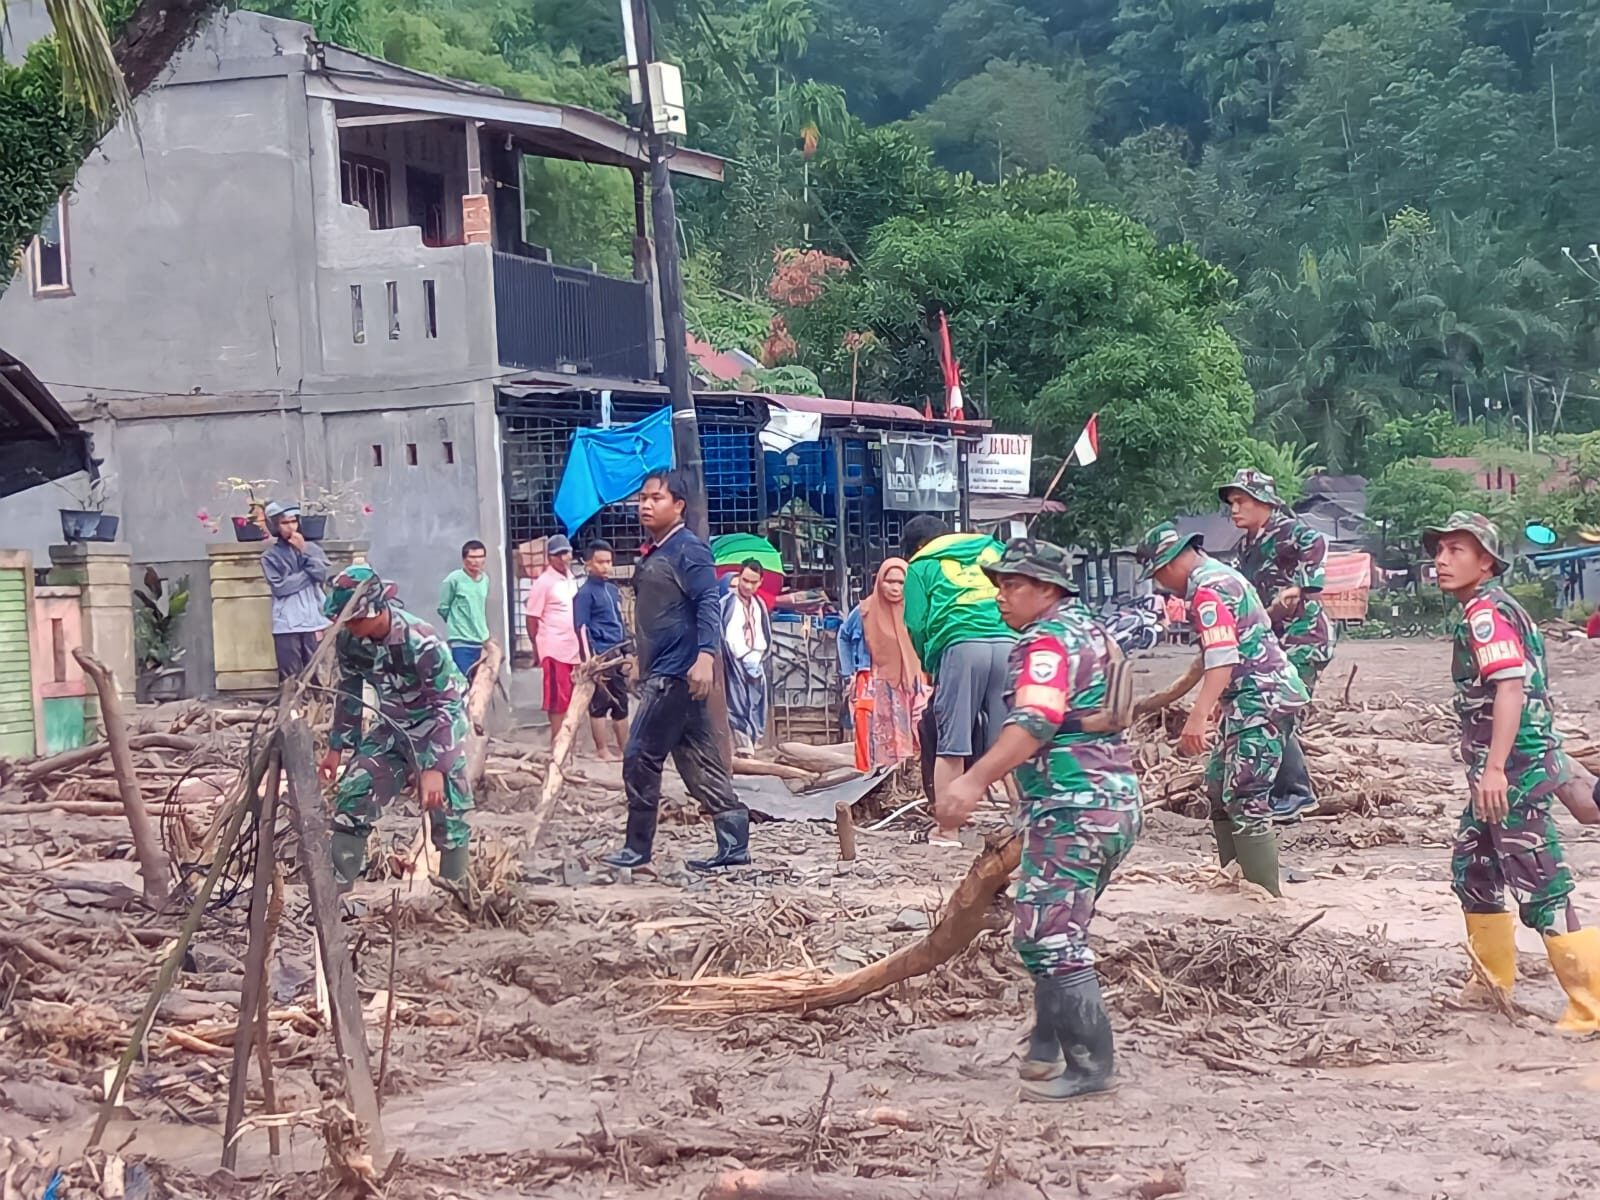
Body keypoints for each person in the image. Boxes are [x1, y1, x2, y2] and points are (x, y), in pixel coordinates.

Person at [937, 538, 1140, 1101]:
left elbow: (1036, 720)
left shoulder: (1046, 639)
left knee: (1046, 932)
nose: (1001, 596)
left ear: (1048, 589)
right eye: (999, 584)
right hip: (1113, 799)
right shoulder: (1094, 630)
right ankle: (1046, 1050)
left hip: (1073, 803)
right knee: (1059, 924)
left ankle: (1089, 1066)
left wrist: (972, 781)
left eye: (1013, 585)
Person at [1424, 511, 1599, 1031]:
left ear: (1487, 562)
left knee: (1541, 884)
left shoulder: (1485, 615)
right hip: (1505, 765)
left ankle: (1590, 1004)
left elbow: (1510, 688)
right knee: (1473, 869)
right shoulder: (1490, 608)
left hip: (1512, 769)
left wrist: (1496, 768)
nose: (1441, 560)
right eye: (1439, 550)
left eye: (1457, 550)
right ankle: (1490, 982)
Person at [1136, 521, 1308, 896]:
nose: (1165, 586)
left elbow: (1221, 656)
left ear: (1167, 566)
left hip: (1261, 698)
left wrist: (1197, 715)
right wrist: (1219, 701)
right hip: (1246, 699)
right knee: (1218, 788)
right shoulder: (1219, 577)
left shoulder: (1208, 590)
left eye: (1159, 577)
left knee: (1245, 794)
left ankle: (1263, 899)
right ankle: (1235, 884)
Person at [602, 470, 751, 872]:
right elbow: (652, 615)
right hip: (667, 671)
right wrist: (637, 657)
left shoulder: (689, 550)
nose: (645, 505)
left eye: (656, 498)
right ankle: (734, 843)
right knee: (697, 760)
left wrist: (706, 655)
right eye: (642, 499)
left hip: (678, 673)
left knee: (639, 756)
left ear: (678, 505)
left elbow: (707, 602)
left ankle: (637, 848)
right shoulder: (658, 550)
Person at [317, 565, 472, 886]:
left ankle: (456, 893)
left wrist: (433, 768)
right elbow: (349, 692)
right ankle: (335, 892)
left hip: (438, 728)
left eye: (355, 619)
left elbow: (448, 705)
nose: (349, 626)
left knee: (447, 813)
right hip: (391, 729)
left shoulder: (421, 641)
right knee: (353, 793)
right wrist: (337, 748)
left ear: (377, 611)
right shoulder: (350, 641)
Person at [1219, 468, 1334, 822]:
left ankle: (1297, 793)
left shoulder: (1288, 530)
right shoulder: (1243, 547)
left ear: (1264, 502)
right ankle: (1276, 790)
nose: (1234, 510)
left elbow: (1317, 542)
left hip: (1302, 636)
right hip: (1271, 641)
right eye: (1232, 503)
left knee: (1279, 710)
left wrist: (1302, 586)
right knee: (1266, 709)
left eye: (1241, 501)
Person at [901, 515, 1016, 818]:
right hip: (1011, 644)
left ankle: (947, 828)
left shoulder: (921, 564)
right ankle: (1026, 822)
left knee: (952, 743)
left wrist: (930, 662)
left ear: (920, 545)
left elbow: (915, 623)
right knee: (1010, 741)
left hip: (960, 646)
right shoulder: (994, 549)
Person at [837, 558, 926, 772]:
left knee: (914, 730)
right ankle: (870, 780)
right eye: (889, 581)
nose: (895, 588)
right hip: (872, 679)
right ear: (879, 582)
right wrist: (850, 672)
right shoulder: (865, 610)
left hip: (911, 682)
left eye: (901, 582)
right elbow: (844, 636)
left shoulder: (916, 610)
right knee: (870, 733)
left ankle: (908, 778)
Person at [260, 500, 330, 681]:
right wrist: (308, 574)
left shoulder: (313, 549)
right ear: (275, 526)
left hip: (314, 620)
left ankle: (317, 709)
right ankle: (292, 710)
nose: (290, 527)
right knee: (290, 677)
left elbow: (322, 574)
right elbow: (280, 587)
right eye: (284, 523)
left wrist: (303, 550)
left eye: (293, 521)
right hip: (287, 623)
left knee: (317, 675)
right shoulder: (270, 556)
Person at [574, 538, 630, 761]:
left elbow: (620, 621)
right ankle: (602, 750)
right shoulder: (585, 594)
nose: (605, 566)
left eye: (609, 561)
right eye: (600, 562)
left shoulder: (612, 590)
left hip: (617, 655)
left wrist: (627, 652)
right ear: (588, 564)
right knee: (599, 705)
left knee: (621, 703)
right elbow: (581, 628)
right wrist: (589, 660)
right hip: (600, 656)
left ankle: (625, 749)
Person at [524, 534, 581, 745]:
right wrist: (536, 645)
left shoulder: (570, 578)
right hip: (554, 648)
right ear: (550, 557)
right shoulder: (543, 583)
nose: (565, 558)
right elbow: (532, 618)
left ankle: (568, 746)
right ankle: (558, 747)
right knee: (558, 701)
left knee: (571, 700)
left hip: (573, 649)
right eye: (560, 554)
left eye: (567, 552)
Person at [720, 558, 773, 753]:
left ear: (760, 582)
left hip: (756, 659)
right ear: (739, 577)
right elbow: (724, 632)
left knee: (757, 701)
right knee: (737, 703)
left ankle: (753, 739)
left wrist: (759, 654)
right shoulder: (727, 602)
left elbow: (763, 631)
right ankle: (744, 746)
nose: (748, 586)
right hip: (735, 660)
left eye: (753, 582)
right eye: (745, 580)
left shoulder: (759, 604)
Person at [437, 539, 491, 679]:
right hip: (461, 641)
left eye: (480, 557)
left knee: (480, 684)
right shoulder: (453, 580)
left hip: (481, 640)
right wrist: (457, 623)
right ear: (464, 559)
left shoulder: (484, 579)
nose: (476, 561)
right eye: (472, 557)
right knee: (462, 681)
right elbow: (443, 607)